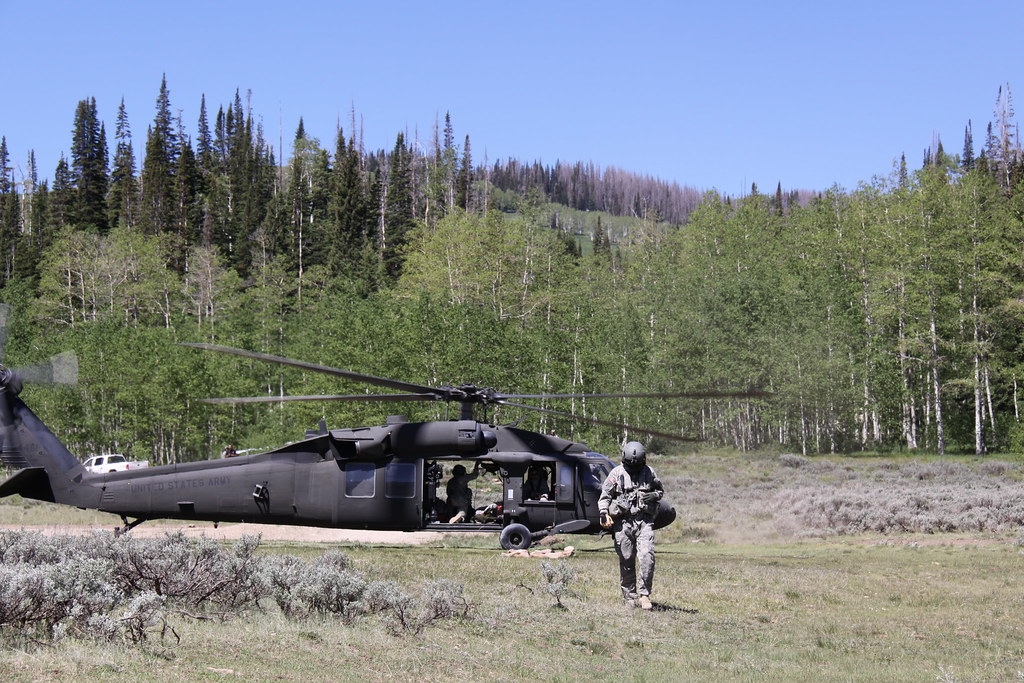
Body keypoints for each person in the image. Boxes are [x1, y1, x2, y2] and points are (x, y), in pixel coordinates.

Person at [598, 441, 664, 610]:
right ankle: (629, 596)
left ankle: (644, 595)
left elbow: (660, 490)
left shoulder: (649, 472)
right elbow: (605, 496)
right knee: (626, 559)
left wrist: (654, 495)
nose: (633, 468)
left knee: (647, 556)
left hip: (644, 521)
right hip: (623, 523)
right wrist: (604, 513)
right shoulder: (616, 473)